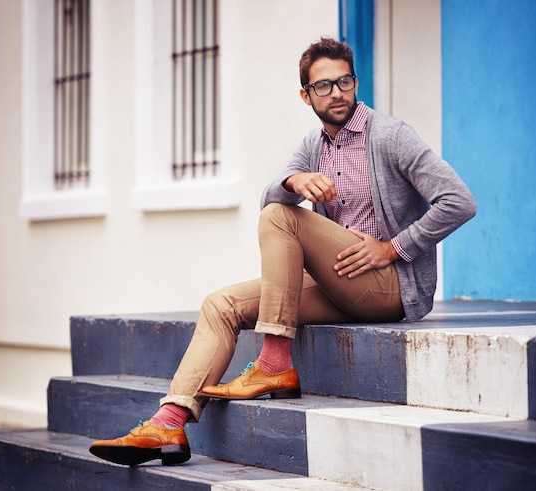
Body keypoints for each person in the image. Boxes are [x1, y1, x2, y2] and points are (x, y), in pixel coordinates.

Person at [89, 37, 476, 467]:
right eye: (324, 86)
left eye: (344, 81)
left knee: (280, 216)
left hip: (390, 288)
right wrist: (293, 182)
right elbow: (272, 192)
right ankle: (170, 422)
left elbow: (459, 201)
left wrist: (393, 248)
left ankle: (274, 360)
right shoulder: (314, 146)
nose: (337, 93)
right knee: (220, 305)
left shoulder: (391, 137)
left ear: (356, 82)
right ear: (305, 95)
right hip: (340, 284)